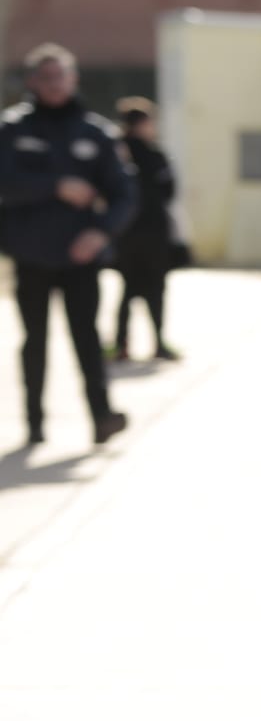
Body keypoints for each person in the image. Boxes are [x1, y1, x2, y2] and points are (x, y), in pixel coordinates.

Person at [0, 43, 136, 446]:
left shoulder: (96, 132)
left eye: (62, 76)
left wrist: (101, 232)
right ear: (32, 82)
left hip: (81, 255)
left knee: (87, 338)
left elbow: (124, 194)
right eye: (46, 77)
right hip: (31, 253)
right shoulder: (12, 130)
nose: (55, 84)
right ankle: (34, 424)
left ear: (74, 79)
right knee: (35, 341)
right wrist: (55, 186)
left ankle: (101, 416)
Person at [109, 97, 180, 360]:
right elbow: (169, 191)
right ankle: (156, 342)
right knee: (153, 290)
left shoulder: (115, 153)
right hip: (149, 234)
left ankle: (121, 344)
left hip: (125, 233)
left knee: (128, 290)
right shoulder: (153, 155)